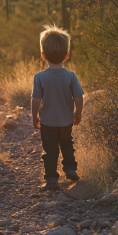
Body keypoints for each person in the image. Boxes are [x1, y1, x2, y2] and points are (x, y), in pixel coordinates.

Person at [31, 25, 84, 191]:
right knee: (67, 144)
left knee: (50, 150)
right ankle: (70, 169)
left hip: (47, 122)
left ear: (43, 55)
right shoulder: (70, 76)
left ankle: (52, 179)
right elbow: (79, 97)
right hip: (66, 121)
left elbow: (35, 100)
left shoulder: (39, 77)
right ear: (67, 55)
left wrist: (35, 117)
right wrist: (78, 113)